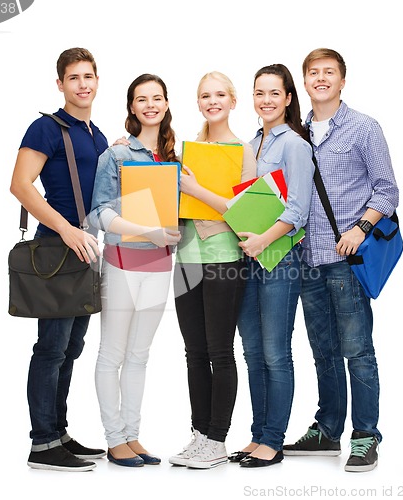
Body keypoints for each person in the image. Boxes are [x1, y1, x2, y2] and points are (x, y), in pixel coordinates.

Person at [282, 48, 399, 473]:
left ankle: (366, 435)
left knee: (357, 349)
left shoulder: (364, 129)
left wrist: (359, 229)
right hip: (306, 259)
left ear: (342, 80)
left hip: (345, 259)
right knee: (322, 350)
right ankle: (328, 429)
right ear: (305, 82)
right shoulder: (295, 132)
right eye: (313, 72)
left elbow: (387, 191)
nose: (321, 78)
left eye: (329, 72)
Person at [9, 47, 108, 472]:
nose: (82, 84)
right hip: (56, 248)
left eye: (89, 76)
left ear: (97, 81)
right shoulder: (45, 128)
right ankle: (42, 443)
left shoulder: (98, 135)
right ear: (60, 84)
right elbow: (20, 185)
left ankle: (59, 432)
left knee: (71, 347)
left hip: (86, 253)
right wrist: (67, 229)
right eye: (74, 78)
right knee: (50, 349)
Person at [88, 74, 181, 468]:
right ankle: (114, 439)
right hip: (123, 262)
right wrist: (149, 231)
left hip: (160, 266)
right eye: (141, 99)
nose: (150, 105)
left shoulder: (177, 158)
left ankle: (132, 435)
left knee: (140, 355)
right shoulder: (117, 155)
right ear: (131, 107)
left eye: (156, 98)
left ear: (166, 103)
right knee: (113, 353)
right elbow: (100, 213)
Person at [168, 72, 256, 469]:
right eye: (205, 95)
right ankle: (199, 434)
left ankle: (218, 439)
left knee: (220, 351)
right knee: (193, 352)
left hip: (223, 257)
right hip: (186, 258)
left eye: (220, 94)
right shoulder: (187, 150)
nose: (212, 101)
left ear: (233, 101)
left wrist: (197, 190)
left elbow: (244, 213)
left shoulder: (244, 151)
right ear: (198, 102)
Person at [230, 64, 314, 468]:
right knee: (252, 351)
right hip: (248, 259)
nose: (266, 100)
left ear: (287, 98)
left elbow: (299, 208)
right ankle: (258, 434)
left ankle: (273, 441)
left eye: (273, 93)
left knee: (276, 352)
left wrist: (263, 240)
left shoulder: (294, 144)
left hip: (279, 258)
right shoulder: (251, 143)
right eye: (259, 93)